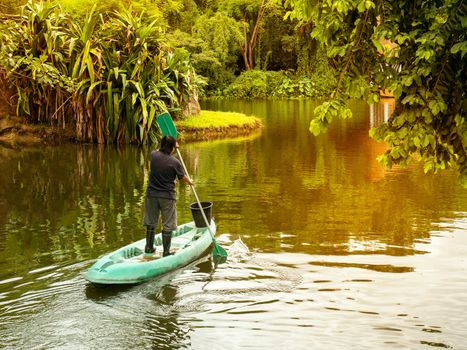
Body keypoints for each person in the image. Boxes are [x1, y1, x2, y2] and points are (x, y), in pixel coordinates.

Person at [143, 135, 193, 257]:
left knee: (151, 222)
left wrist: (172, 145)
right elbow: (182, 177)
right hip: (167, 197)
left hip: (152, 195)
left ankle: (149, 248)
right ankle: (166, 252)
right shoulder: (175, 162)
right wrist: (190, 181)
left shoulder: (153, 155)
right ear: (172, 147)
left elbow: (160, 150)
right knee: (168, 224)